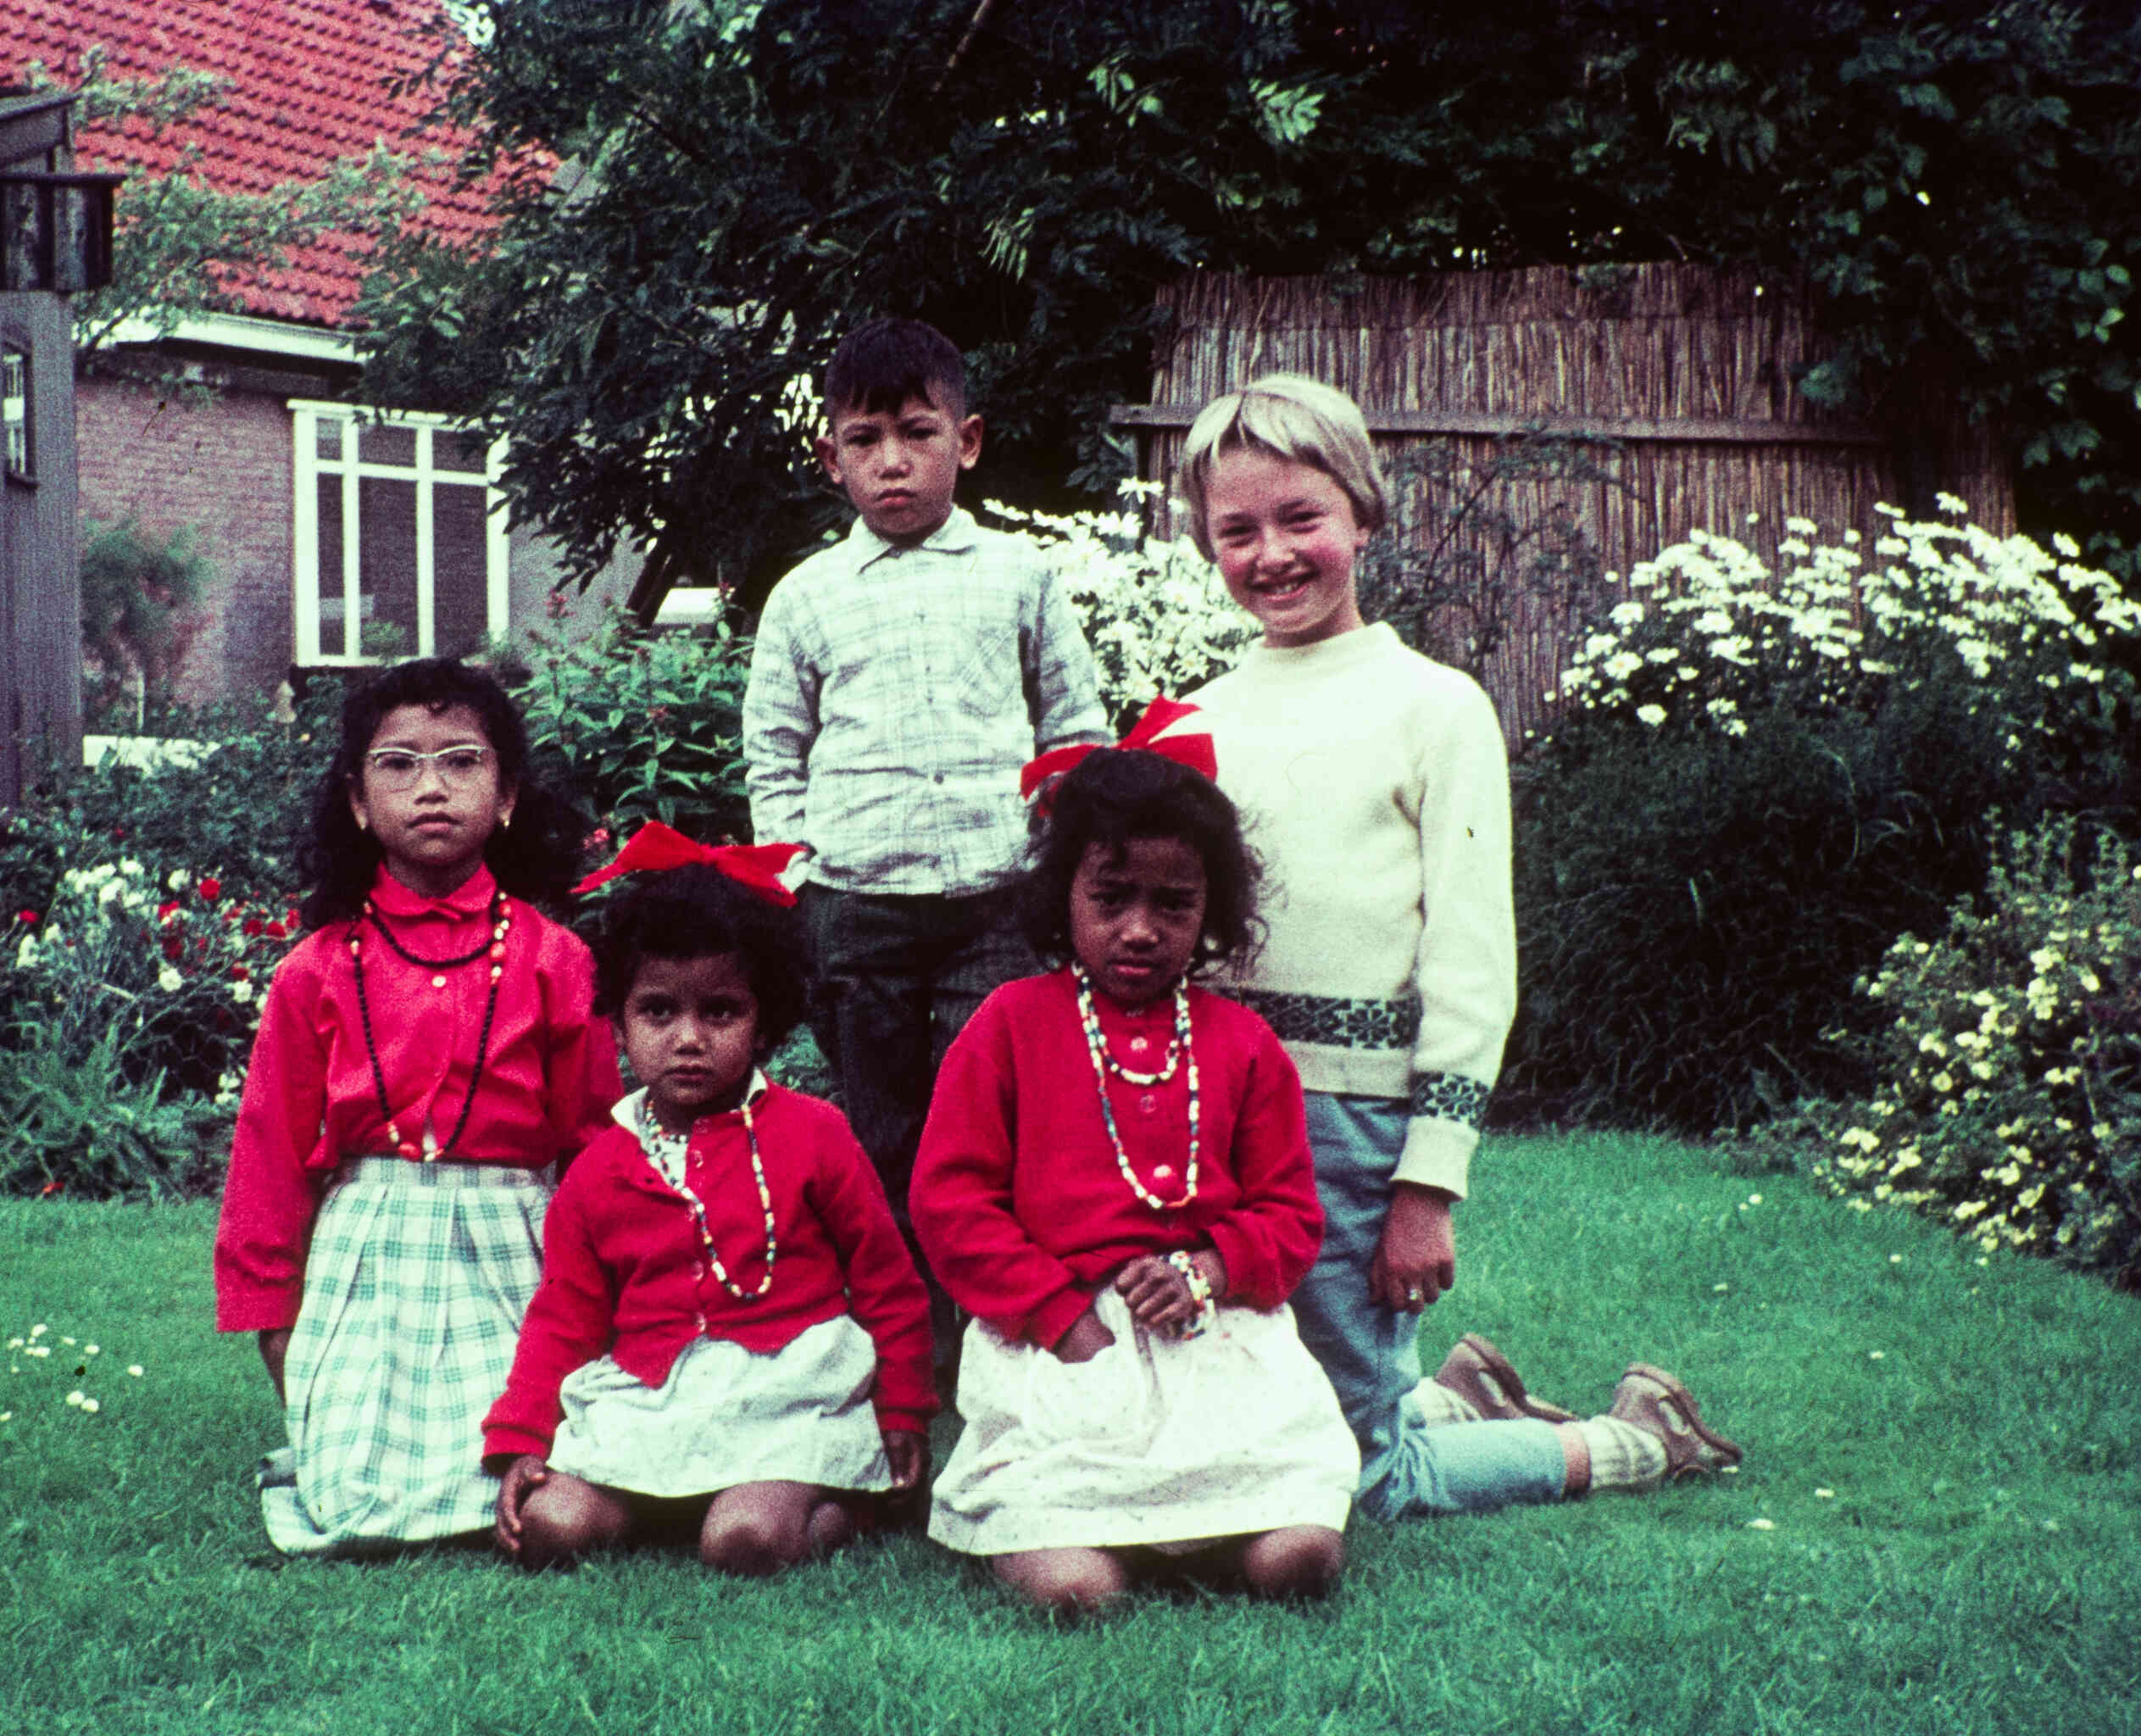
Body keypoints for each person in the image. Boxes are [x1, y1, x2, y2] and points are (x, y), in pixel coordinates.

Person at [1176, 374, 1743, 1523]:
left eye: (1300, 518)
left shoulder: (1432, 708)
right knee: (1258, 1407)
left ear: (1363, 517)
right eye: (1237, 531)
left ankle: (1631, 1440)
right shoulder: (1195, 717)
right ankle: (1452, 1394)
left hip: (1352, 1126)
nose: (1271, 554)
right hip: (1219, 1121)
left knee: (1357, 1482)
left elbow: (1472, 967)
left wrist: (1425, 1185)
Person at [909, 739, 1361, 1612]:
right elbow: (951, 1202)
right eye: (1111, 899)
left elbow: (1290, 1211)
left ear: (1210, 910)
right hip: (1064, 1346)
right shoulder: (1009, 1024)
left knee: (1297, 1557)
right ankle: (1077, 1532)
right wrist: (1060, 1316)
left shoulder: (1243, 1043)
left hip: (1214, 1341)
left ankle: (1228, 1518)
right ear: (1062, 896)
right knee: (1077, 1589)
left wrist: (1212, 1269)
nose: (1141, 929)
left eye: (1173, 904)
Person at [742, 317, 1110, 1360]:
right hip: (856, 911)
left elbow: (1074, 727)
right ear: (832, 458)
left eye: (917, 432)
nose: (892, 461)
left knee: (987, 1134)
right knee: (883, 1137)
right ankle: (908, 1356)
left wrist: (1056, 864)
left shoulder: (1018, 575)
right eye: (864, 440)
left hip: (995, 903)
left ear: (969, 440)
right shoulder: (807, 596)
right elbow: (773, 750)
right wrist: (800, 882)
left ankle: (1000, 1348)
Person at [214, 658, 620, 1555]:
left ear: (506, 796)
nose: (430, 788)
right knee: (356, 1494)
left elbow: (595, 1148)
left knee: (530, 1464)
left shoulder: (557, 959)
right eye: (397, 764)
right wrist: (277, 1325)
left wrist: (610, 1300)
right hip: (369, 1254)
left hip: (514, 1251)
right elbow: (270, 1159)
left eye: (461, 761)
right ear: (358, 803)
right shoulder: (317, 968)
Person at [484, 826, 937, 1573]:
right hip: (651, 1396)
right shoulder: (599, 1168)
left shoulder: (814, 1133)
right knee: (552, 1528)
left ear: (764, 1024)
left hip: (783, 1394)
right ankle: (669, 1499)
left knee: (743, 1540)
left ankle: (841, 1505)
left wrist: (902, 1408)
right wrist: (524, 1436)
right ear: (619, 1023)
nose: (688, 1039)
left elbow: (887, 1282)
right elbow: (564, 1315)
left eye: (720, 1012)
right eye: (658, 1012)